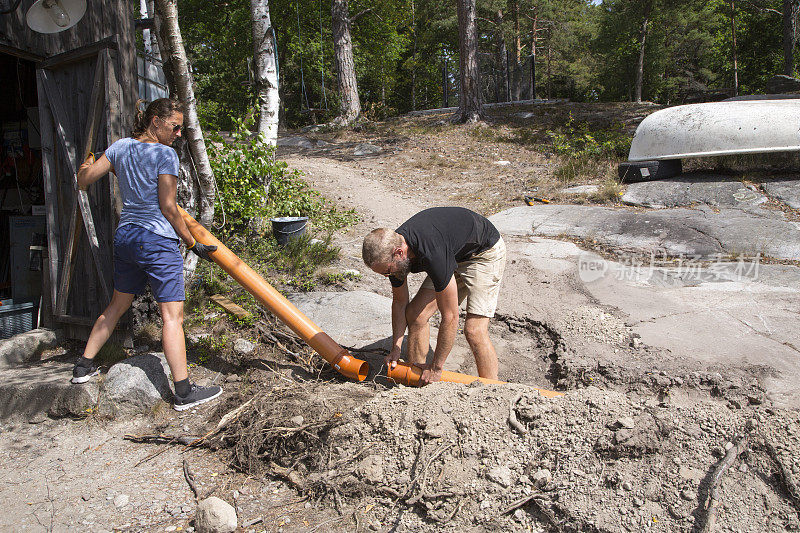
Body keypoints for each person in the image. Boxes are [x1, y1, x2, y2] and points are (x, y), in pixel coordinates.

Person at [71, 98, 222, 411]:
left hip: (126, 238)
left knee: (116, 304)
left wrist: (86, 164)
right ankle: (183, 392)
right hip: (156, 240)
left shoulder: (119, 148)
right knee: (172, 316)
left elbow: (83, 181)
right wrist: (193, 243)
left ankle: (82, 369)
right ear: (156, 122)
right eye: (174, 126)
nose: (179, 133)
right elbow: (168, 207)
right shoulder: (164, 154)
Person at [362, 207, 506, 385]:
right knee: (416, 315)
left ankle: (493, 390)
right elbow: (400, 302)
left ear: (399, 253)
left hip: (483, 253)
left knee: (474, 330)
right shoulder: (392, 251)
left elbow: (450, 316)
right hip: (452, 253)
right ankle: (416, 382)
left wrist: (436, 367)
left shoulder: (431, 252)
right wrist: (396, 348)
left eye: (388, 271)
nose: (387, 276)